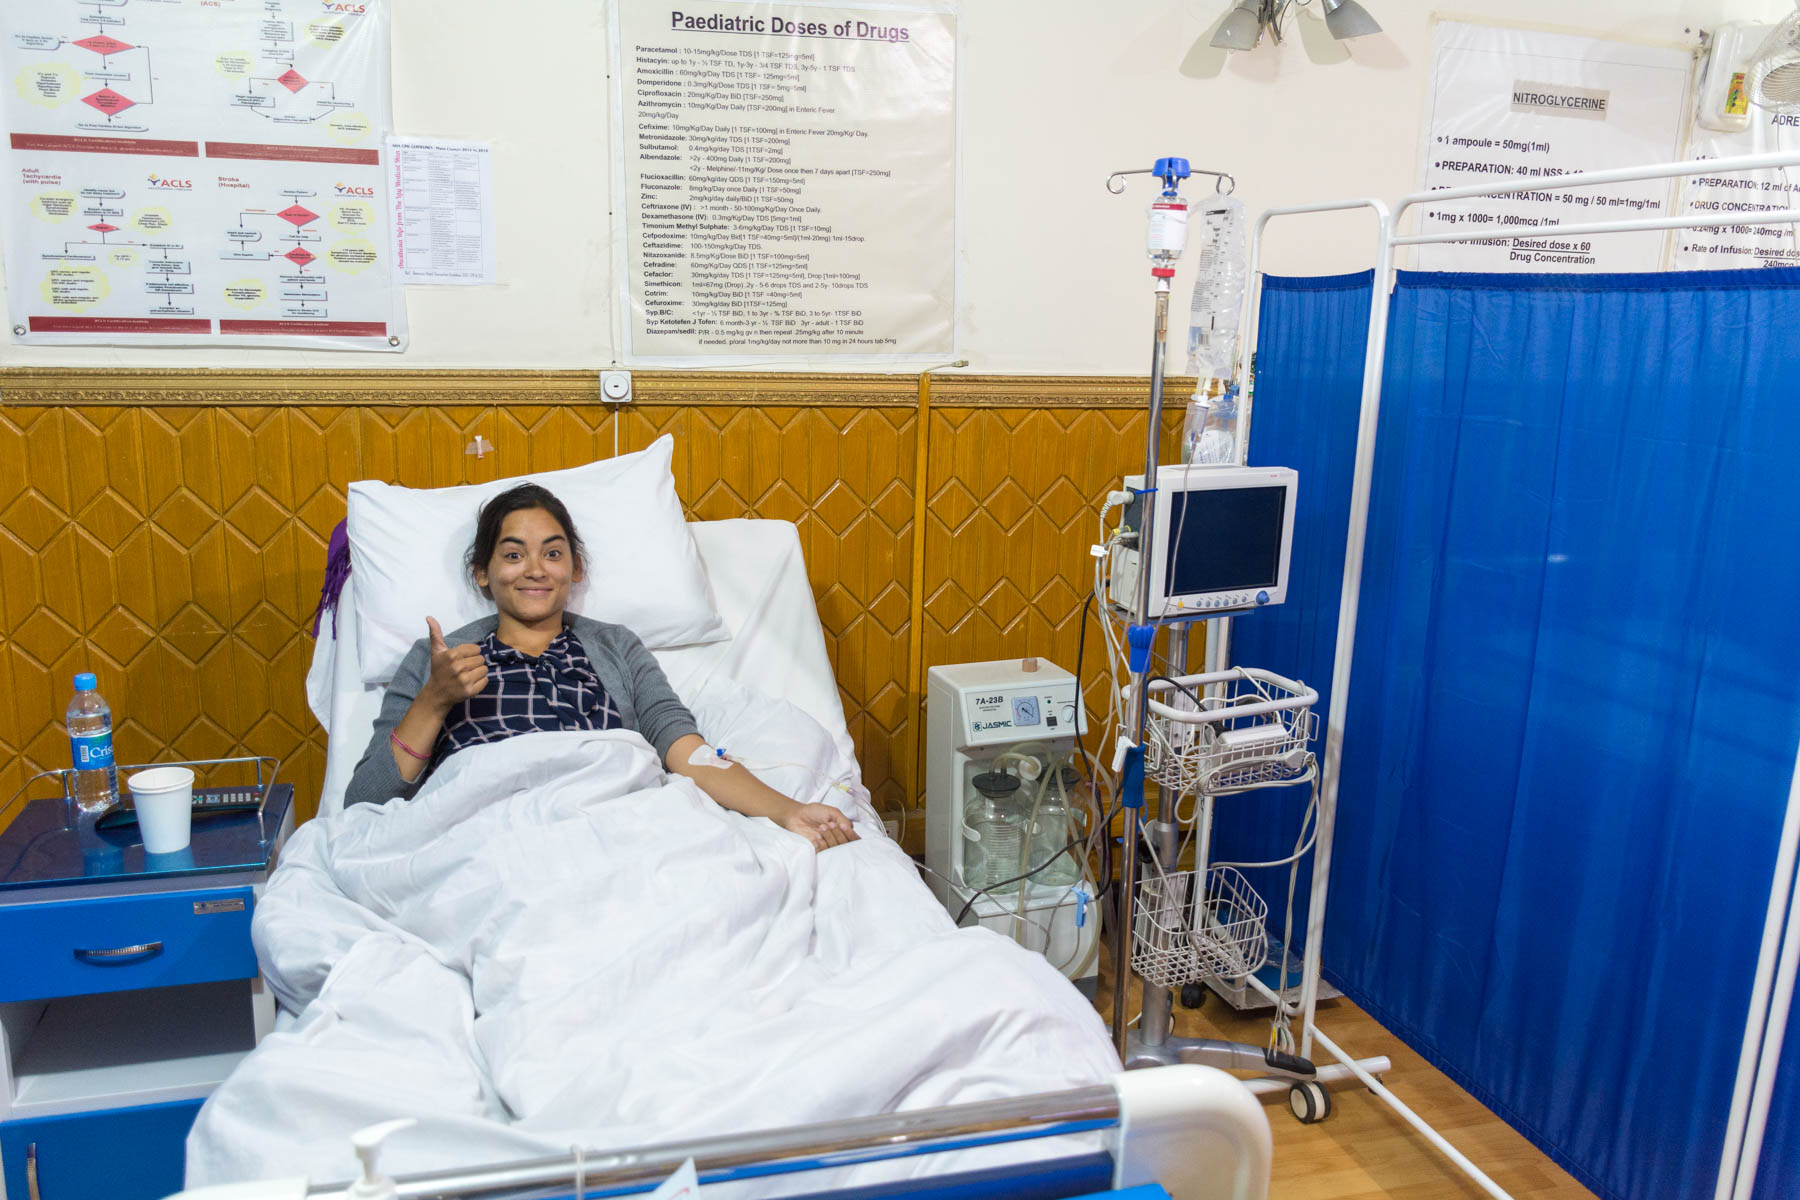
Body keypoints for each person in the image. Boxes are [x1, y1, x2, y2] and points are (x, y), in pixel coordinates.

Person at [344, 482, 857, 852]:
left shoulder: (616, 648)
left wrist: (786, 810)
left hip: (611, 830)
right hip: (487, 840)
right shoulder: (437, 660)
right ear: (482, 572)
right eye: (513, 554)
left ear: (575, 568)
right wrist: (435, 700)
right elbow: (365, 800)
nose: (536, 569)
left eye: (552, 552)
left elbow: (687, 750)